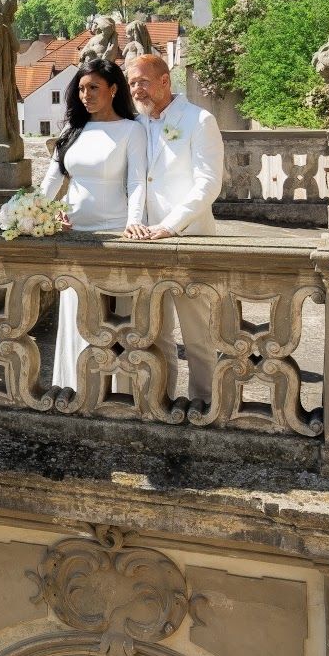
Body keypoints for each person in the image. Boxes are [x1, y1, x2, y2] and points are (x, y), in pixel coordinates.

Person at [123, 52, 226, 408]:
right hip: (145, 243)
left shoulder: (199, 120)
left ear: (165, 80)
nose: (136, 89)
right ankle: (162, 401)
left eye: (142, 81)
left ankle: (205, 405)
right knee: (156, 333)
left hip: (189, 238)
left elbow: (208, 183)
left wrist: (170, 225)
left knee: (199, 335)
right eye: (131, 83)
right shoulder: (136, 124)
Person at [41, 57, 145, 396]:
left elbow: (137, 182)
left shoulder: (132, 130)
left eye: (94, 88)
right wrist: (40, 215)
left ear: (113, 90)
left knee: (117, 320)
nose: (86, 95)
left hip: (115, 235)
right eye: (82, 89)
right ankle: (74, 389)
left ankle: (119, 393)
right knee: (77, 315)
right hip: (75, 235)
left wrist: (134, 223)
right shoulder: (72, 131)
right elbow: (51, 182)